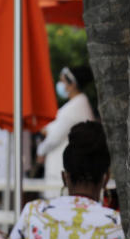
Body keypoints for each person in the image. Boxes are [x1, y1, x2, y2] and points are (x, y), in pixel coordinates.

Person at [36, 66, 96, 197]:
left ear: (72, 84)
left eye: (62, 81)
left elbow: (54, 137)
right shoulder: (77, 104)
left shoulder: (75, 107)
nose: (60, 85)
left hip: (62, 171)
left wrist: (40, 150)